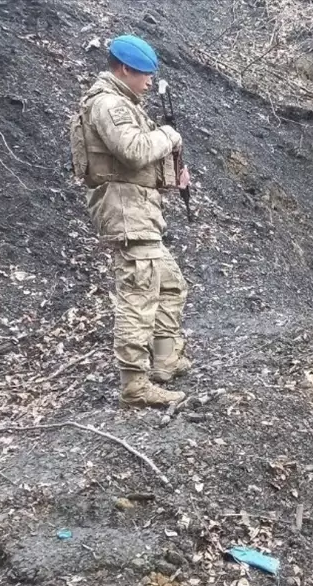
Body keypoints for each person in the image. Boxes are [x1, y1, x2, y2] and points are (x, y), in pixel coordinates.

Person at [70, 34, 193, 409]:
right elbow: (135, 151)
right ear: (123, 69)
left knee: (170, 284)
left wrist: (173, 178)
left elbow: (131, 165)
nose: (150, 82)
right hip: (125, 214)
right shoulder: (109, 104)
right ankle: (135, 386)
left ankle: (165, 360)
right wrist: (168, 136)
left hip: (139, 210)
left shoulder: (123, 103)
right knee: (138, 296)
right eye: (144, 74)